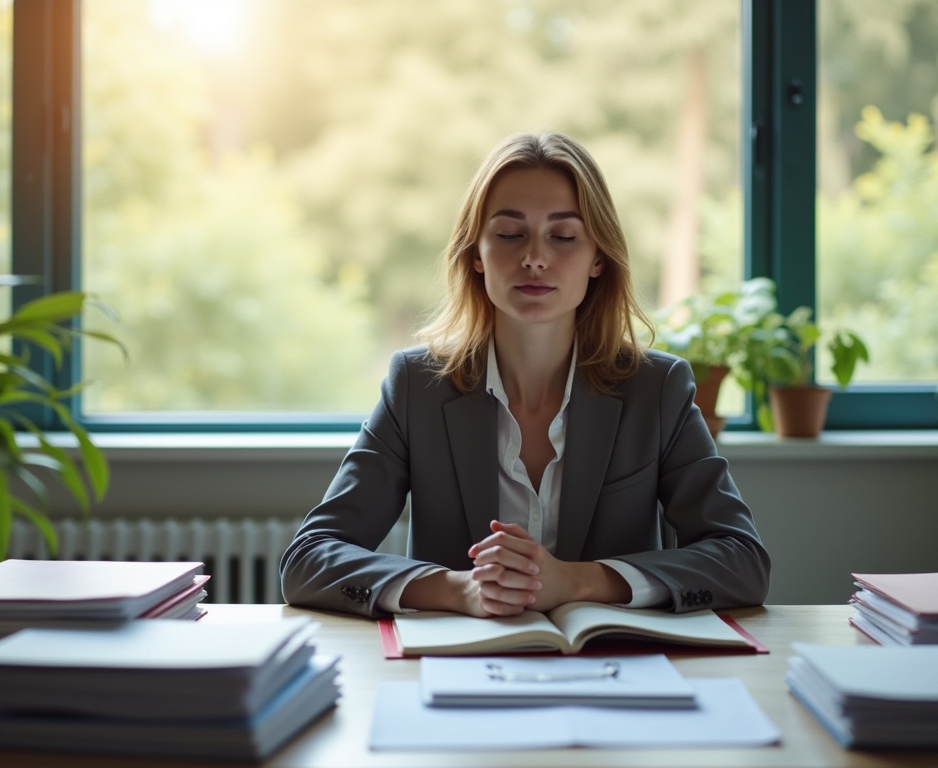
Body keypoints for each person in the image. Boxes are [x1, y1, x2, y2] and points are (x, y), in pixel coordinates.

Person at [280, 132, 769, 619]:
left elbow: (743, 561)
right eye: (510, 235)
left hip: (614, 671)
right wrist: (460, 590)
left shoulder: (657, 389)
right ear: (476, 254)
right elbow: (309, 558)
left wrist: (574, 581)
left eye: (564, 236)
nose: (535, 257)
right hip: (459, 674)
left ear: (598, 257)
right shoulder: (416, 385)